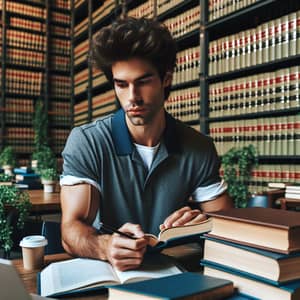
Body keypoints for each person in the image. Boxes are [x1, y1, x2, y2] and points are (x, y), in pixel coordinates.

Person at [60, 17, 233, 271]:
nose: (133, 97)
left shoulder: (199, 147)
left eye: (143, 81)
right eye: (122, 84)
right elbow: (71, 229)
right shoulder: (87, 141)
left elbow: (229, 225)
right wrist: (105, 246)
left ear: (165, 78)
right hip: (107, 273)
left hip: (175, 271)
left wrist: (203, 221)